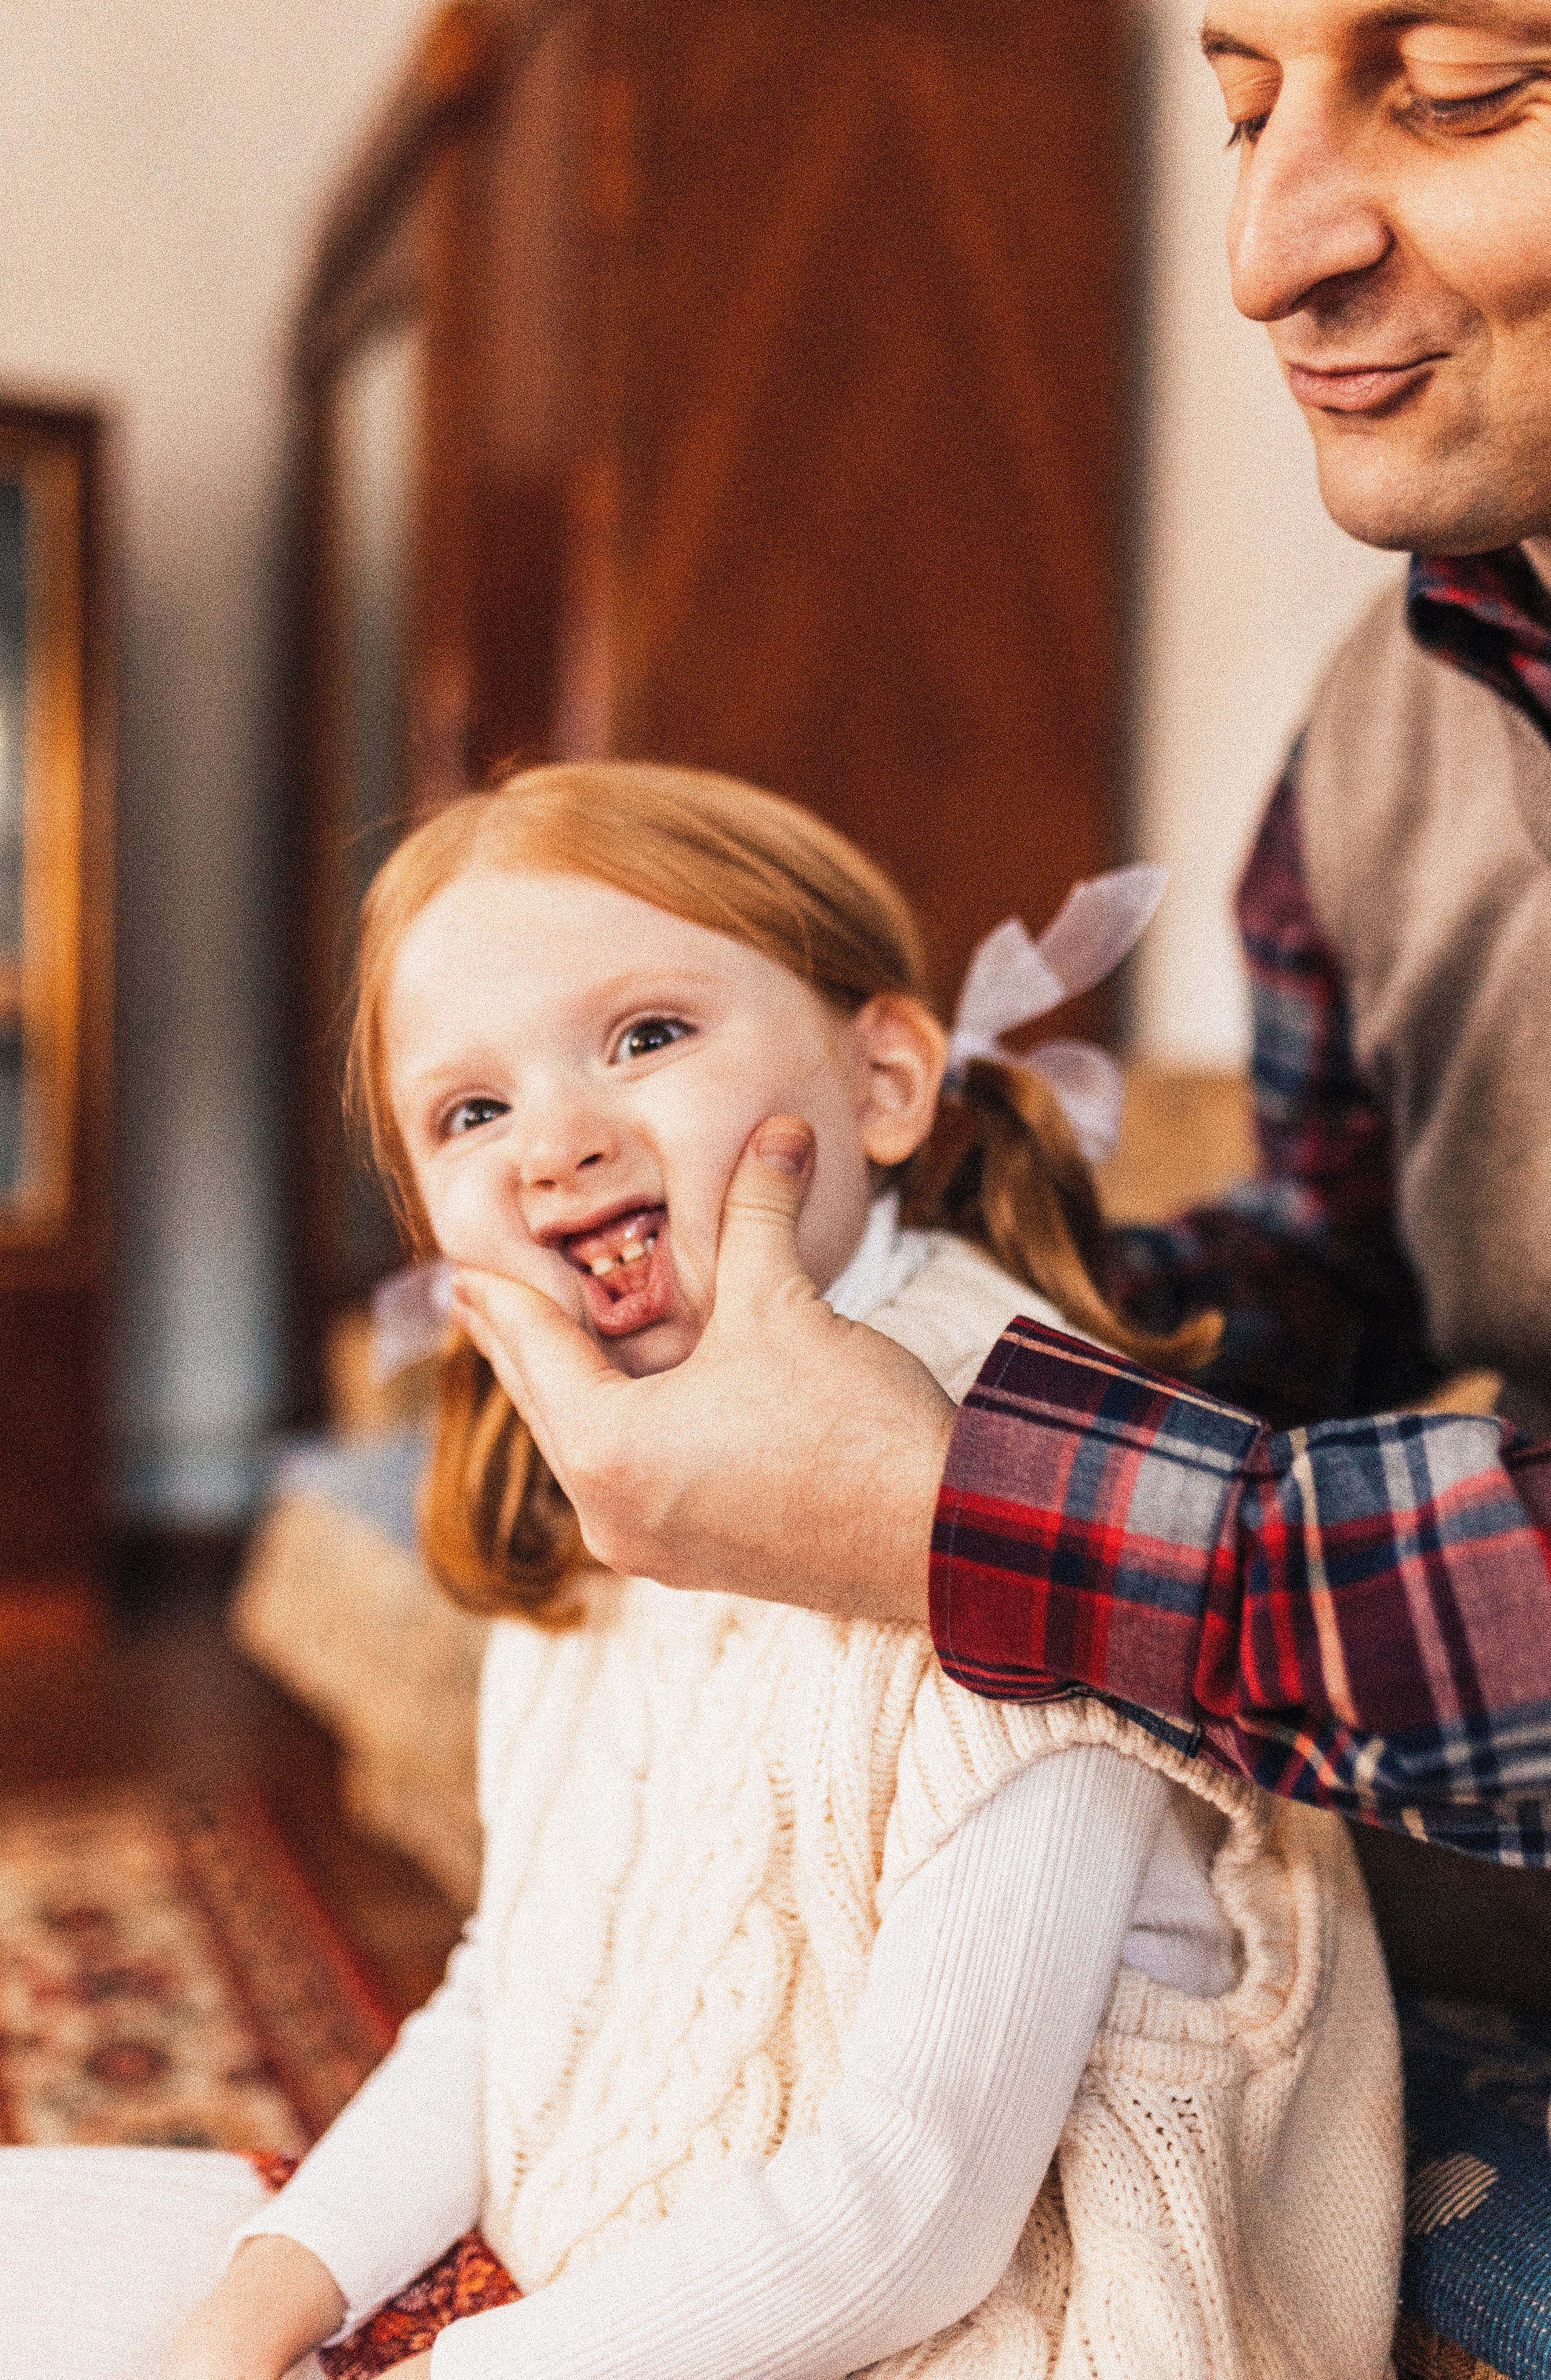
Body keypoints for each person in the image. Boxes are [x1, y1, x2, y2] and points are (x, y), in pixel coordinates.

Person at [449, 0, 1551, 1867]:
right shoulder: (1378, 726)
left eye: (1461, 94)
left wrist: (951, 1506)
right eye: (1246, 113)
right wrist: (930, 1292)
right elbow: (1340, 1259)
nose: (1264, 261)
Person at [120, 761, 1400, 2380]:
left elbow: (914, 2208)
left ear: (884, 1082)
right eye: (471, 1112)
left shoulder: (1027, 1494)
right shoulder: (603, 1458)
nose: (556, 1145)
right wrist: (262, 2300)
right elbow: (522, 1992)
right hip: (614, 2316)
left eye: (646, 1035)